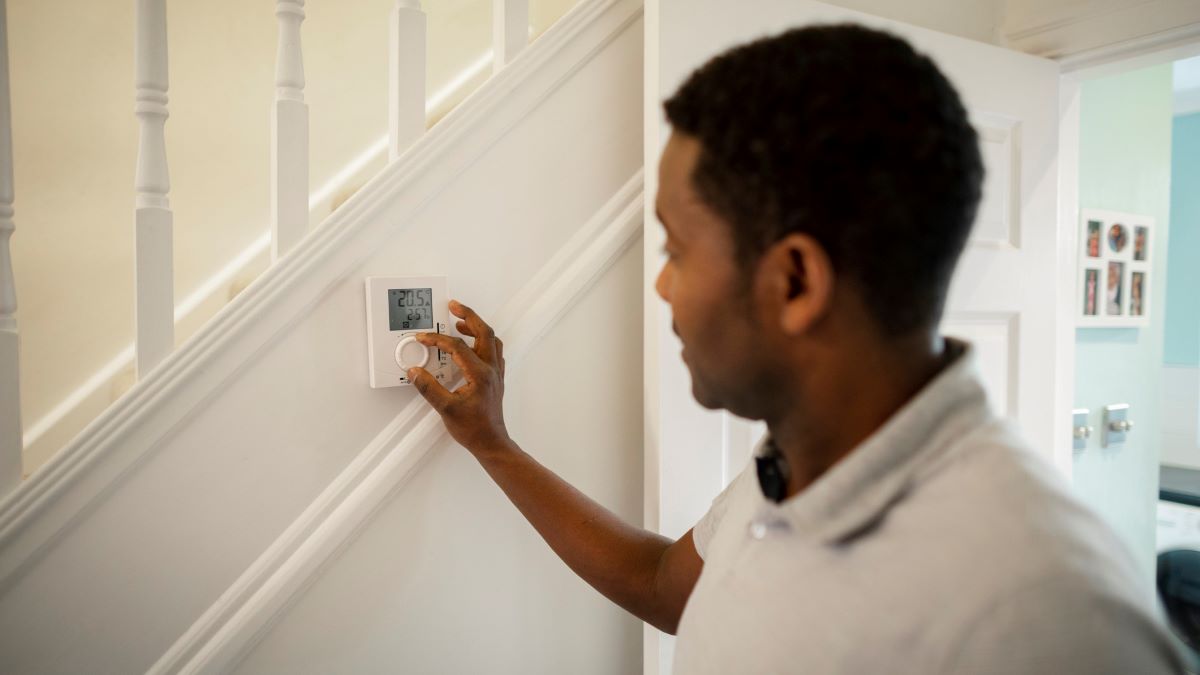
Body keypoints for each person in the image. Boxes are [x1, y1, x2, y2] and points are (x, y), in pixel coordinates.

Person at [407, 25, 1184, 673]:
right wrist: (493, 443)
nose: (663, 288)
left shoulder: (1050, 616)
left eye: (676, 250)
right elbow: (661, 582)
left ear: (795, 280)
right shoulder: (793, 466)